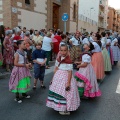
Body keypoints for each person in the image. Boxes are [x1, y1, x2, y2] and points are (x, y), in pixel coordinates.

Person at [46, 44, 80, 115]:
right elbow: (56, 69)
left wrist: (68, 83)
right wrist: (52, 78)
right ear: (59, 51)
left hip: (66, 77)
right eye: (61, 50)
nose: (63, 52)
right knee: (57, 91)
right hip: (58, 77)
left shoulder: (69, 60)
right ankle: (59, 107)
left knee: (65, 92)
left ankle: (64, 107)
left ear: (67, 51)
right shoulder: (58, 58)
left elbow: (70, 72)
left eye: (65, 50)